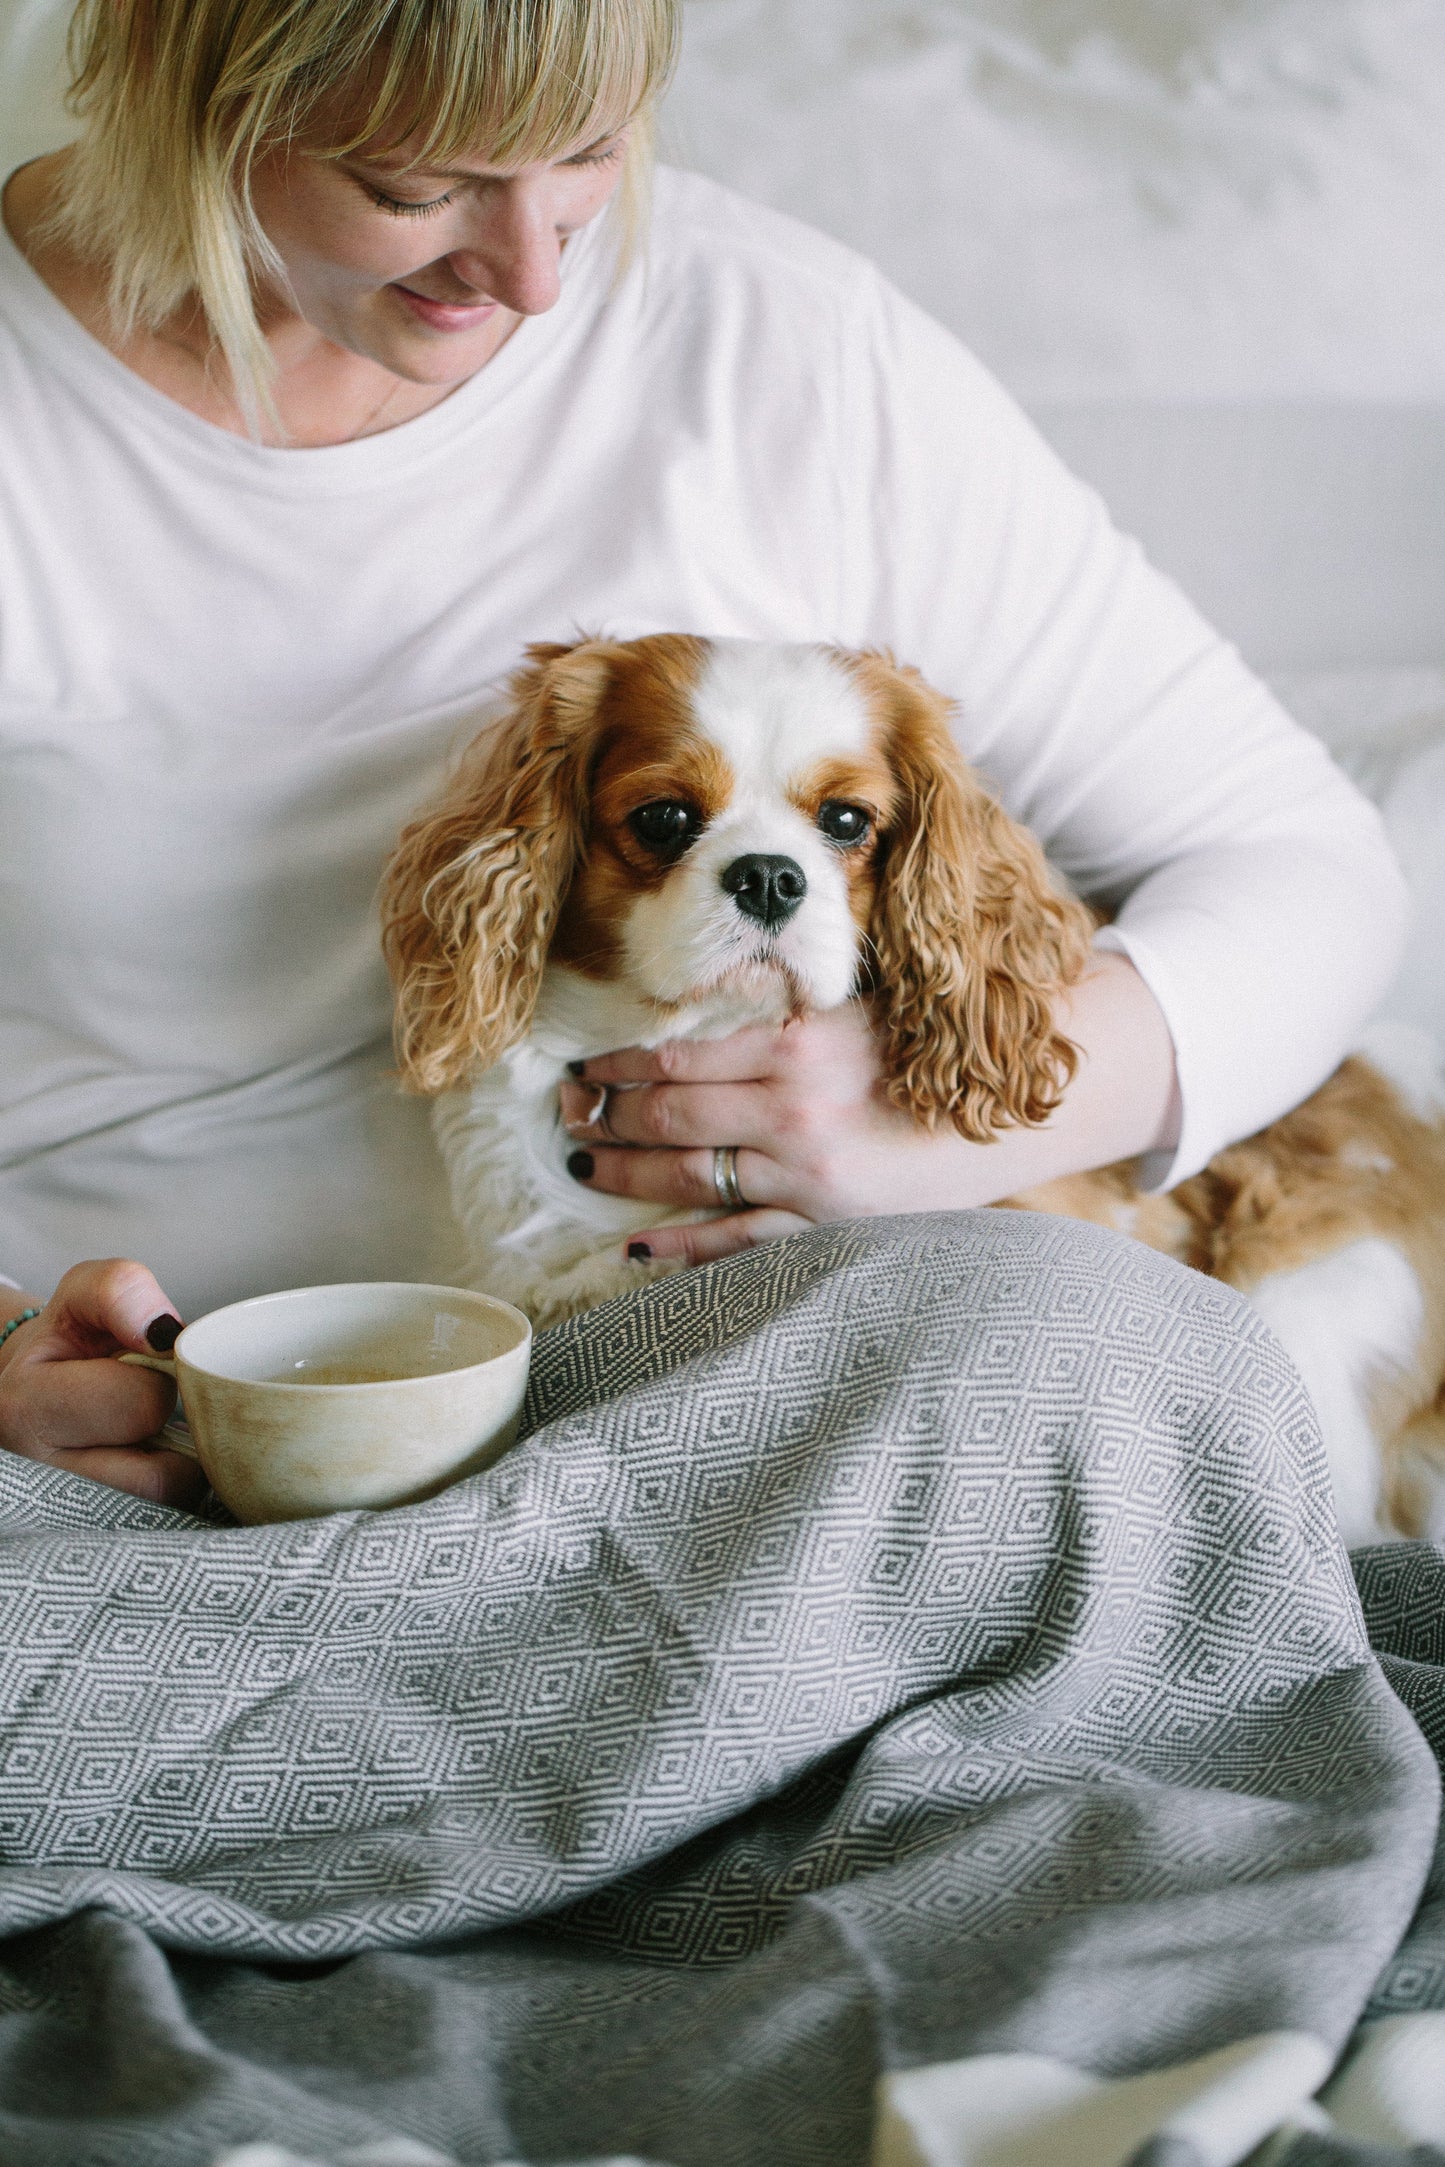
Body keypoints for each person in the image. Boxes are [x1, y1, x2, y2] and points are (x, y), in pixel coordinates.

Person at [0, 0, 1406, 1510]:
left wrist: (930, 1130)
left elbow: (1305, 870)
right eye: (411, 186)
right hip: (157, 1454)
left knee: (1061, 1348)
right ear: (175, 73)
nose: (538, 275)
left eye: (591, 151)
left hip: (772, 1408)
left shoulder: (775, 342)